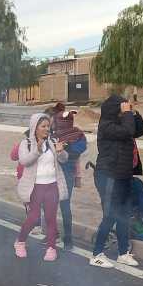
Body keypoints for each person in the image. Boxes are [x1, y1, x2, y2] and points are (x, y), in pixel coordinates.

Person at [89, 95, 143, 268]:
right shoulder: (107, 125)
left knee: (124, 215)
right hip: (108, 176)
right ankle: (96, 254)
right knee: (111, 215)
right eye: (122, 107)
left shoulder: (123, 122)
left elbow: (138, 130)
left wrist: (134, 113)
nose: (125, 110)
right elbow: (128, 131)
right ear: (115, 109)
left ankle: (122, 253)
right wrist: (127, 114)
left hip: (123, 175)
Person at [13, 113, 68, 261]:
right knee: (33, 217)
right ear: (34, 128)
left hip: (52, 185)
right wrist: (37, 149)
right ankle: (20, 242)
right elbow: (24, 161)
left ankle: (51, 248)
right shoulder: (26, 143)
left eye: (48, 126)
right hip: (35, 187)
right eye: (43, 126)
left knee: (51, 218)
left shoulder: (52, 141)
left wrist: (60, 151)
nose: (46, 129)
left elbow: (64, 159)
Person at [51, 105, 87, 248]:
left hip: (62, 175)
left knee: (60, 206)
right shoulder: (77, 135)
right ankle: (62, 238)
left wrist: (62, 149)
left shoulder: (56, 136)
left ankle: (66, 237)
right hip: (60, 174)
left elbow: (75, 153)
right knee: (59, 206)